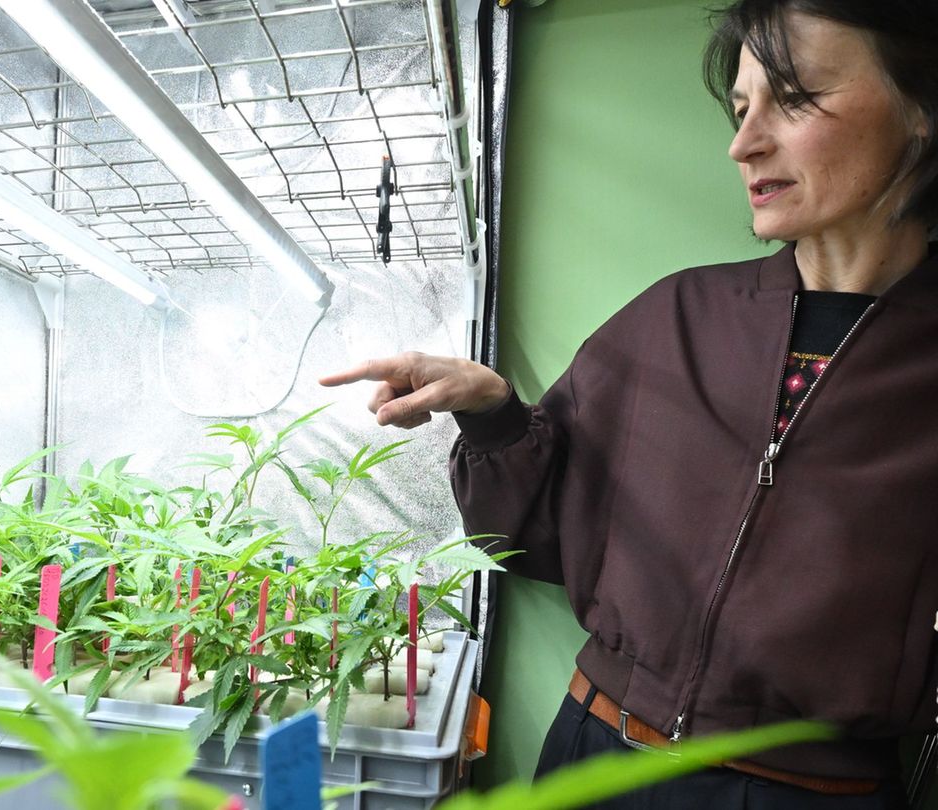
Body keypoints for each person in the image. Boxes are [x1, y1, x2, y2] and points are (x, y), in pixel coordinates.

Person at [321, 1, 938, 807]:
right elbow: (528, 543)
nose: (743, 143)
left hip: (813, 790)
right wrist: (495, 412)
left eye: (793, 98)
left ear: (920, 108)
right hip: (595, 751)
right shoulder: (677, 317)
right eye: (742, 107)